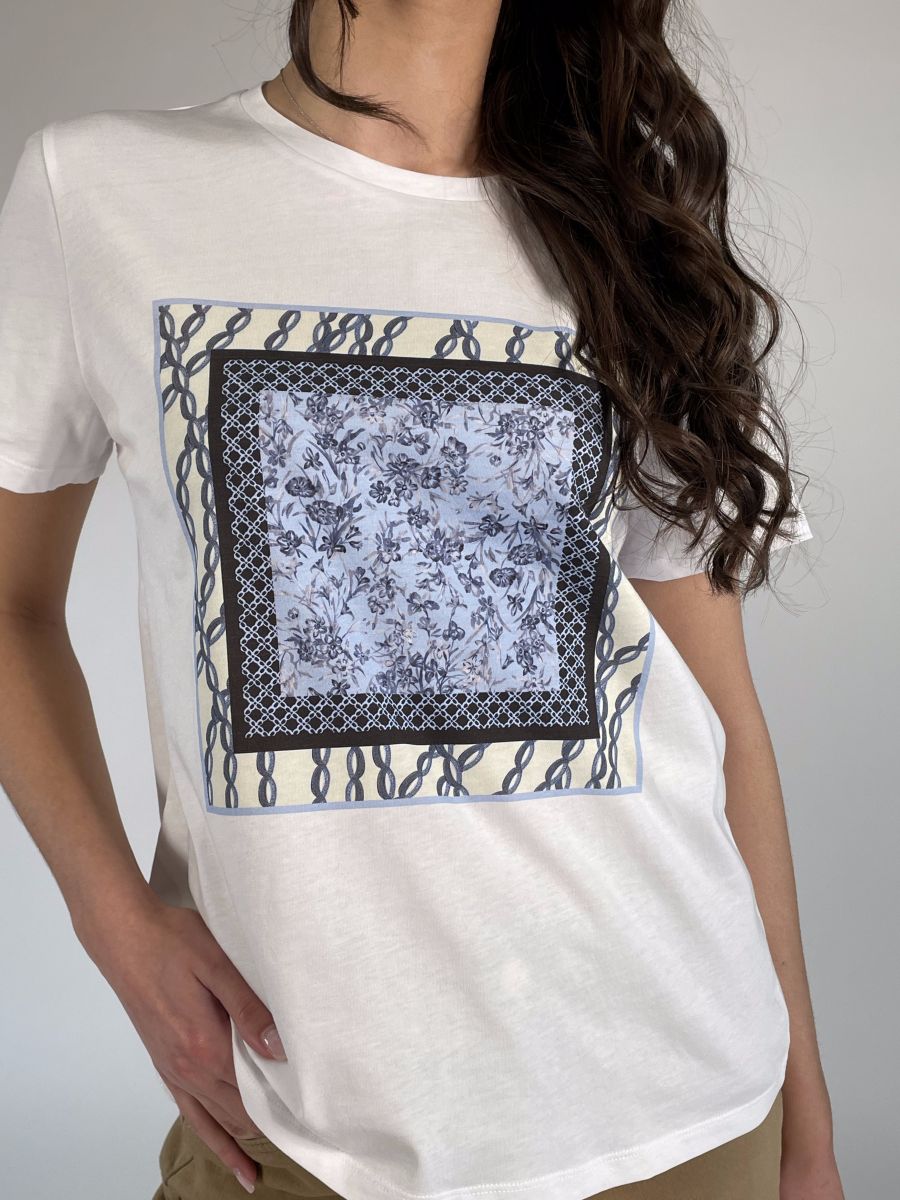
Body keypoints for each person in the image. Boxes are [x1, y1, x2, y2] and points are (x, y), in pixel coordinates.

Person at [0, 2, 845, 1199]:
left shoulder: (634, 235)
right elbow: (11, 605)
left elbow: (725, 725)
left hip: (687, 1108)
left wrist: (807, 1126)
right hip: (304, 1129)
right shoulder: (100, 190)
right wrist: (113, 922)